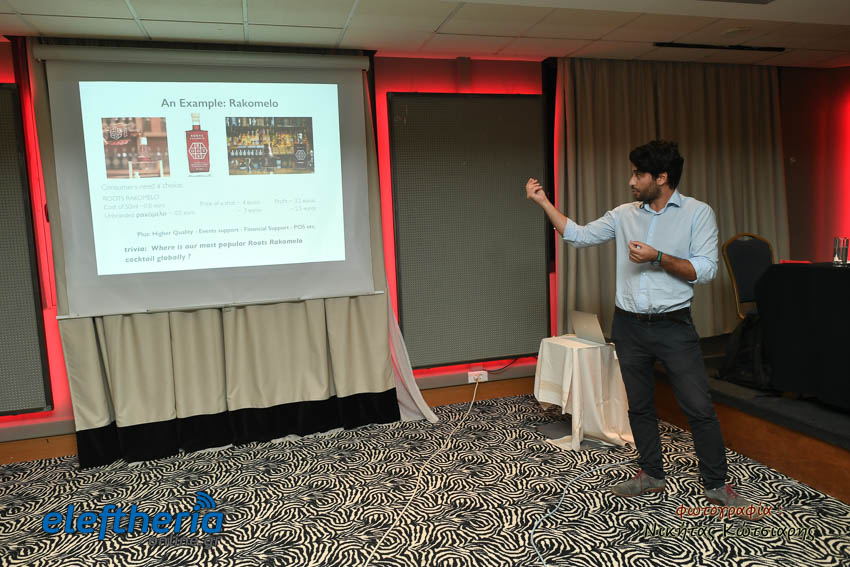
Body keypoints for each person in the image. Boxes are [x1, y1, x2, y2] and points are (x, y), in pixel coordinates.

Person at [525, 140, 763, 519]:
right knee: (639, 405)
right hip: (628, 325)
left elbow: (705, 270)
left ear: (662, 177)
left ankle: (717, 484)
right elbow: (579, 236)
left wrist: (658, 257)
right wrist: (543, 202)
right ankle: (651, 474)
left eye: (638, 174)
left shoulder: (697, 213)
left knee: (698, 406)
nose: (631, 181)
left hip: (673, 326)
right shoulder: (624, 215)